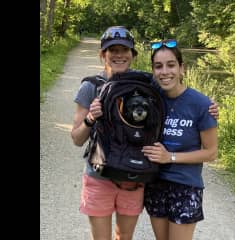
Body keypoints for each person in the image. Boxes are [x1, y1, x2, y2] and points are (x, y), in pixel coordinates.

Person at [71, 26, 219, 240]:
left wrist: (209, 107)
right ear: (103, 54)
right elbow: (76, 139)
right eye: (113, 50)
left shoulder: (147, 83)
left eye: (125, 50)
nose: (119, 55)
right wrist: (90, 118)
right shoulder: (91, 87)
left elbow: (175, 88)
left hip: (134, 179)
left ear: (133, 55)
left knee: (124, 238)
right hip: (99, 176)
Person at [141, 39, 218, 240]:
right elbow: (121, 79)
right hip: (155, 182)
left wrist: (170, 157)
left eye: (171, 65)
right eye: (158, 66)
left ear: (182, 68)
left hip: (185, 185)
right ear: (153, 71)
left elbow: (211, 152)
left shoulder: (201, 103)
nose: (165, 71)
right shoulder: (150, 96)